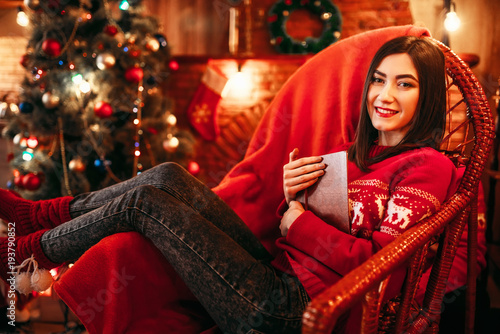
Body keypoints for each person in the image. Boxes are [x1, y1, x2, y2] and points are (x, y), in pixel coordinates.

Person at [0, 36, 462, 333]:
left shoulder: (429, 167)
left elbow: (382, 262)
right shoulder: (356, 153)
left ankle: (30, 250)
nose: (384, 95)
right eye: (379, 80)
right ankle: (39, 217)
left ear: (429, 98)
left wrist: (298, 224)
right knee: (166, 175)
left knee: (145, 202)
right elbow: (309, 226)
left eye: (405, 84)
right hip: (277, 272)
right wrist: (292, 198)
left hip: (289, 311)